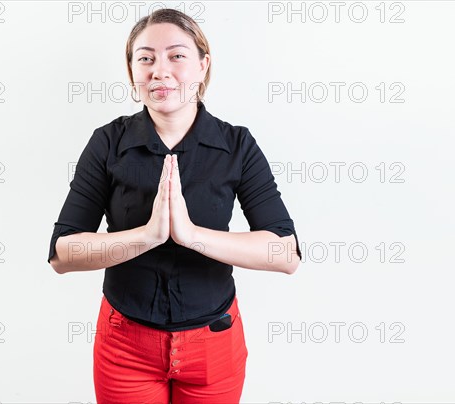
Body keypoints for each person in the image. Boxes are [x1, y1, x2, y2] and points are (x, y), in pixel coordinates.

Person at [47, 8, 302, 403]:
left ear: (203, 65)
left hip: (214, 345)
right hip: (125, 346)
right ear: (132, 71)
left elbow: (285, 253)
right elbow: (63, 254)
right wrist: (148, 236)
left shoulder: (237, 146)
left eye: (176, 56)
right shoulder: (107, 143)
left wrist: (192, 236)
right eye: (145, 58)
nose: (159, 71)